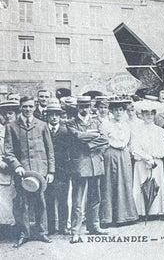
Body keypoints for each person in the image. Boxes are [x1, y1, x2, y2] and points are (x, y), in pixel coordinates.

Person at [4, 96, 55, 247]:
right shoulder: (11, 126)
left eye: (30, 106)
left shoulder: (42, 125)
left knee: (41, 201)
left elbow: (50, 150)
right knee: (22, 203)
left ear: (35, 107)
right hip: (22, 172)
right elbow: (8, 151)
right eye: (25, 106)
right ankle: (24, 234)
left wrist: (50, 171)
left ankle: (42, 233)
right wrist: (17, 165)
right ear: (20, 107)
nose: (28, 109)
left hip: (40, 171)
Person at [67, 96, 109, 243]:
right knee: (78, 200)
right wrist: (93, 136)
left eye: (86, 106)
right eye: (81, 106)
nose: (84, 109)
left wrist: (89, 143)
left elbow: (105, 139)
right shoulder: (71, 123)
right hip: (80, 165)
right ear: (77, 108)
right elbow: (77, 136)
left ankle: (94, 226)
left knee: (95, 197)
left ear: (90, 107)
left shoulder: (97, 122)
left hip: (96, 164)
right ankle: (75, 230)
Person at [99, 97, 138, 226]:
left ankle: (125, 216)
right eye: (116, 110)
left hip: (124, 154)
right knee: (109, 184)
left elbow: (131, 141)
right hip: (110, 154)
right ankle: (108, 218)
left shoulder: (127, 125)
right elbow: (103, 140)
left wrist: (128, 150)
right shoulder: (106, 124)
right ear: (111, 111)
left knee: (125, 183)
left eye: (121, 110)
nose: (118, 113)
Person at [131, 99, 164, 219]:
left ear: (155, 115)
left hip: (156, 162)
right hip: (141, 162)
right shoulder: (136, 130)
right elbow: (134, 148)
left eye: (151, 113)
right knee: (141, 184)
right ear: (142, 115)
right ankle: (142, 211)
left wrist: (153, 157)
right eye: (146, 113)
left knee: (156, 184)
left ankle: (157, 211)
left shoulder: (159, 131)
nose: (149, 116)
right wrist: (146, 158)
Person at [44, 99, 71, 235]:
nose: (54, 117)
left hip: (62, 171)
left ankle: (63, 226)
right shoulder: (43, 130)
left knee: (63, 199)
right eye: (51, 114)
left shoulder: (65, 131)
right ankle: (50, 227)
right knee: (48, 199)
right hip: (47, 170)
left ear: (60, 116)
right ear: (47, 116)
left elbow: (69, 151)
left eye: (56, 114)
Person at [0, 100, 19, 238]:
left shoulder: (20, 129)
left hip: (19, 170)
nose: (8, 116)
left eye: (11, 113)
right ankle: (5, 231)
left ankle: (19, 229)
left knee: (18, 201)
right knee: (4, 202)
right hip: (3, 172)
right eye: (5, 113)